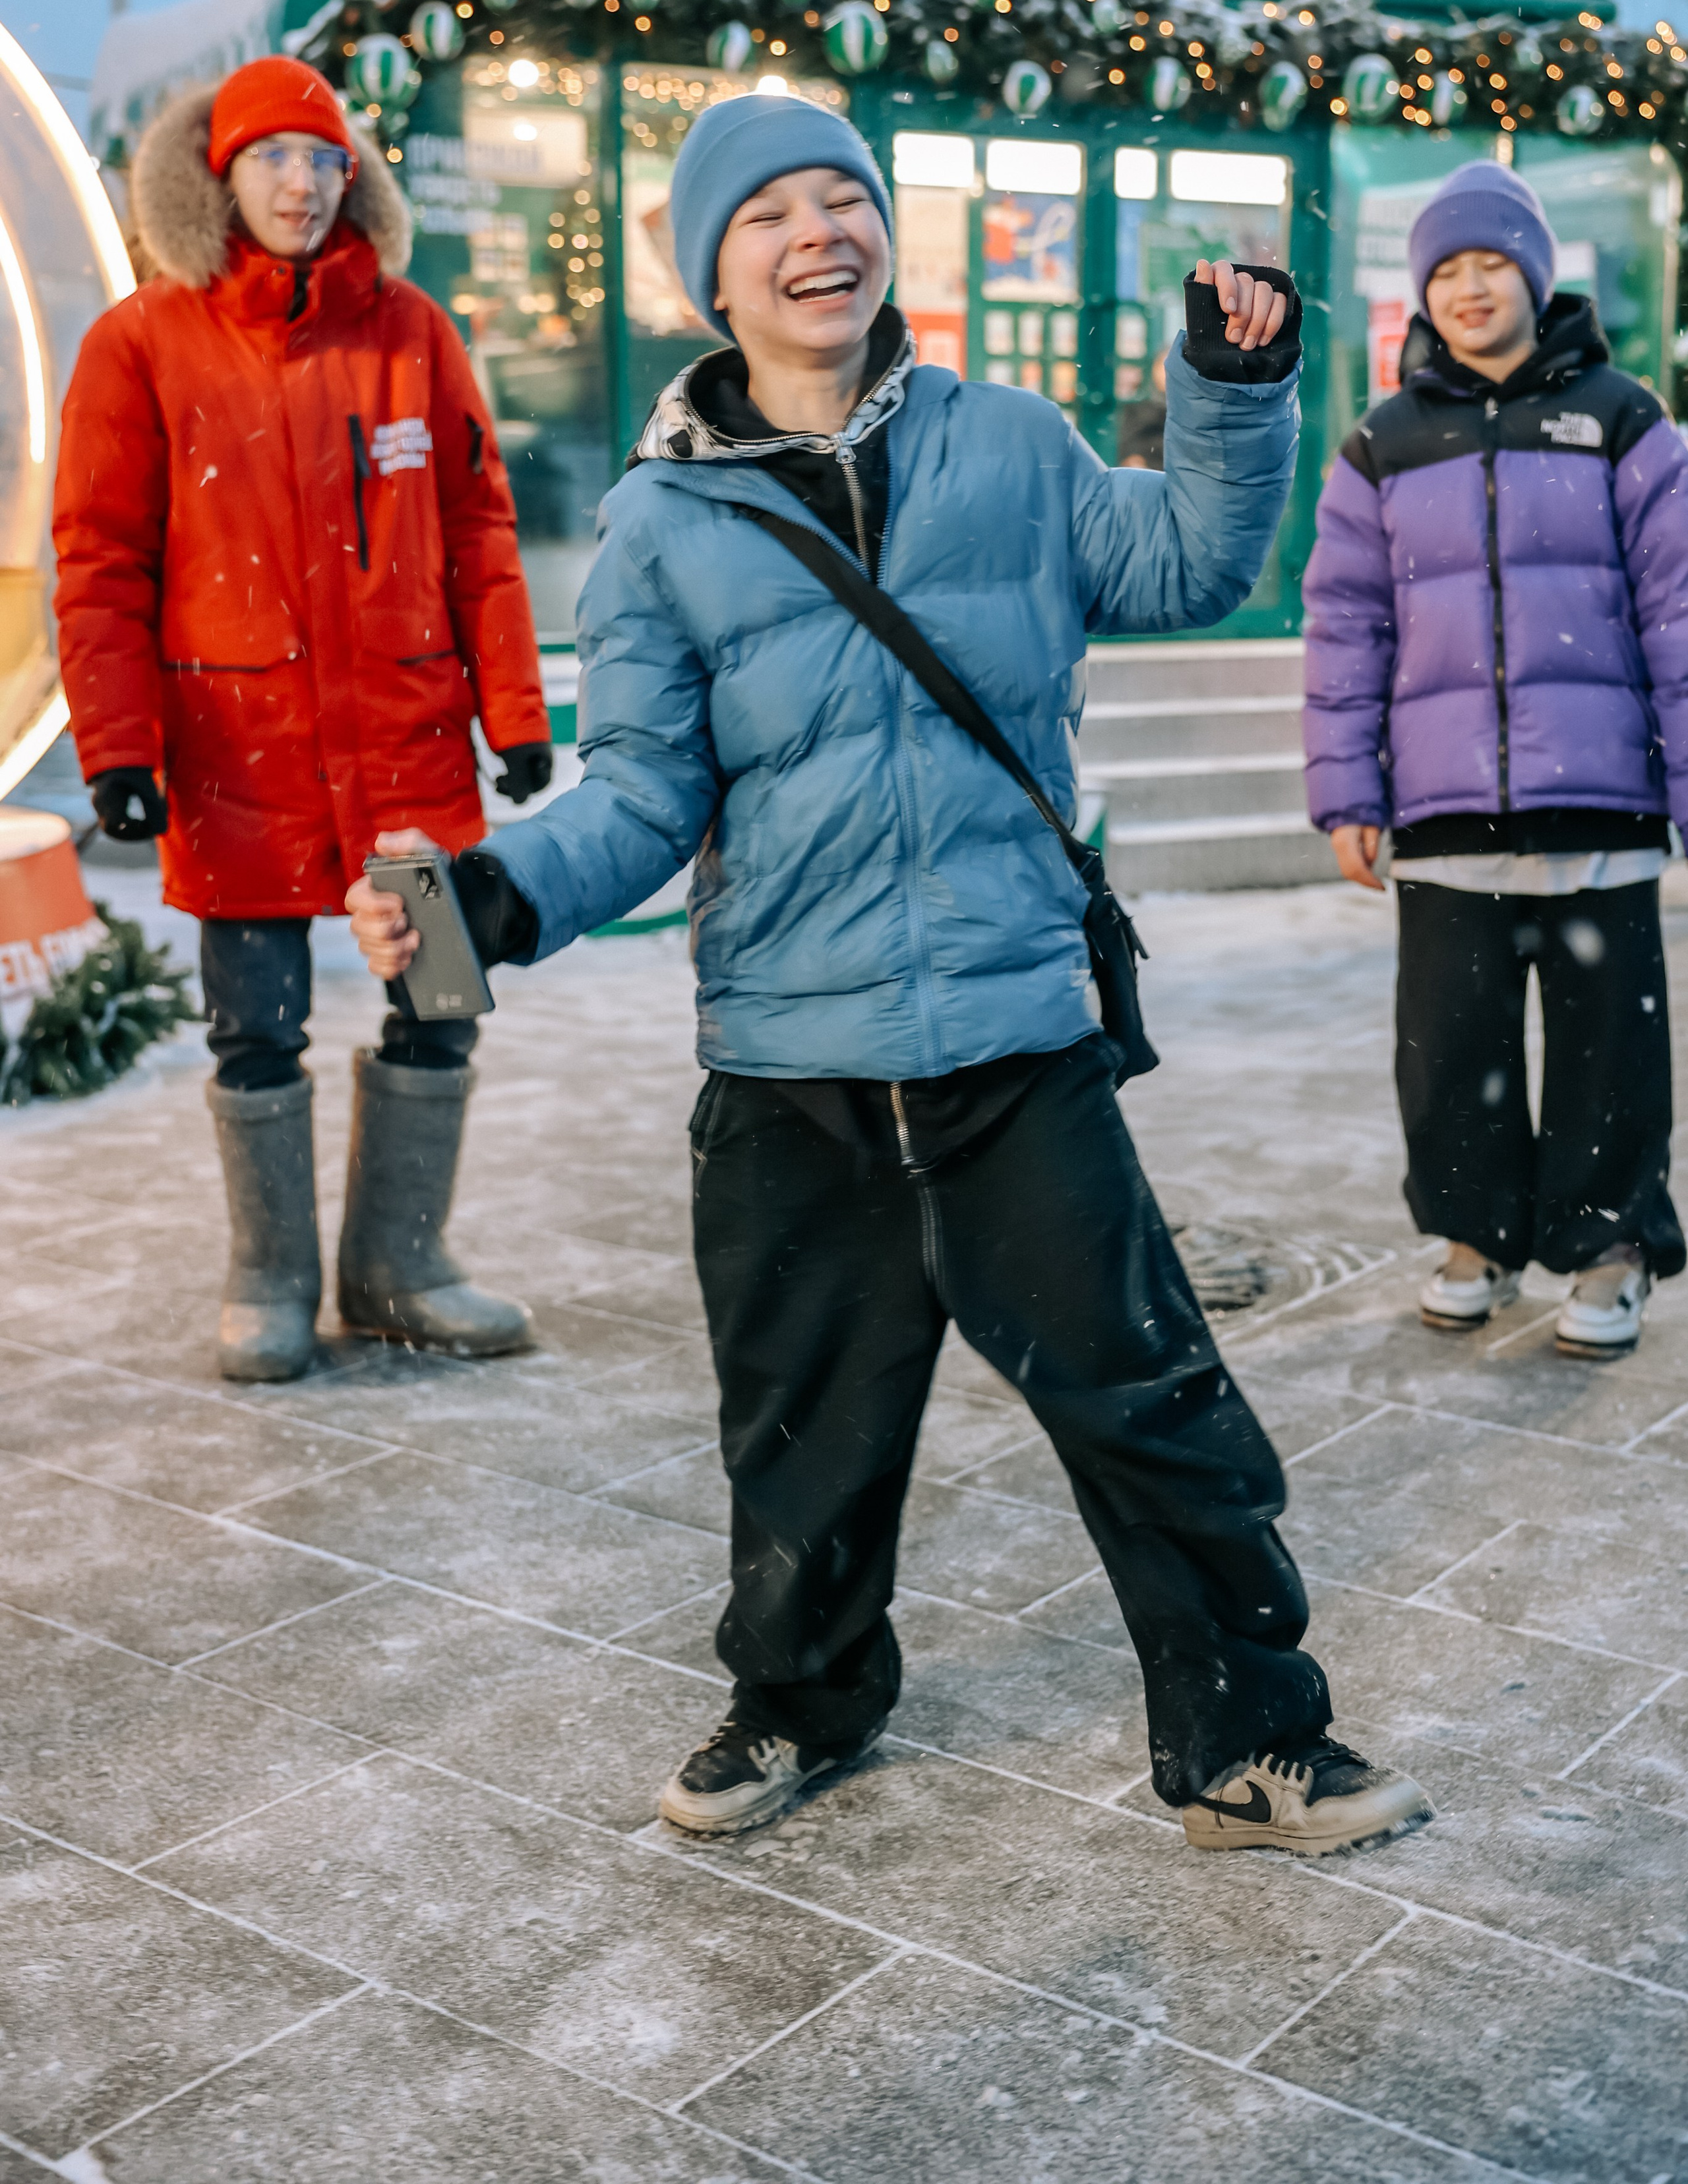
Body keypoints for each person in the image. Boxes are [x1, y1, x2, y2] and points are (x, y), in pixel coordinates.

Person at [350, 91, 1431, 1858]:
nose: (817, 235)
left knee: (1151, 1400)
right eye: (769, 212)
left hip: (1013, 1034)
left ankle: (1250, 1737)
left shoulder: (1008, 441)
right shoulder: (660, 527)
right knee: (804, 1428)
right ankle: (804, 1699)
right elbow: (638, 795)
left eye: (843, 198)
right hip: (793, 1055)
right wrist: (489, 895)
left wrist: (1233, 394)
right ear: (715, 272)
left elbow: (1189, 561)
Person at [53, 56, 553, 1385]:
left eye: (320, 160)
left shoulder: (413, 334)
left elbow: (475, 530)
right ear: (219, 181)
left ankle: (400, 1266)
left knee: (444, 996)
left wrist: (513, 708)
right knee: (254, 1027)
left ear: (352, 181)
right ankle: (267, 1276)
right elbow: (102, 558)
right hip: (239, 758)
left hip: (404, 749)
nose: (297, 183)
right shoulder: (140, 344)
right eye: (270, 159)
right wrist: (117, 749)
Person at [1303, 158, 1688, 1356]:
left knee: (1607, 1048)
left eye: (1492, 264)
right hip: (1446, 805)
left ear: (1535, 274)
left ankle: (1608, 1247)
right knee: (1452, 1048)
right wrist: (1346, 790)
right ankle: (1474, 1236)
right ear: (1425, 293)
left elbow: (1679, 614)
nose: (1472, 289)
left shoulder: (1623, 420)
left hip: (1599, 803)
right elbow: (1345, 629)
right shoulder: (1383, 444)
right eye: (1448, 271)